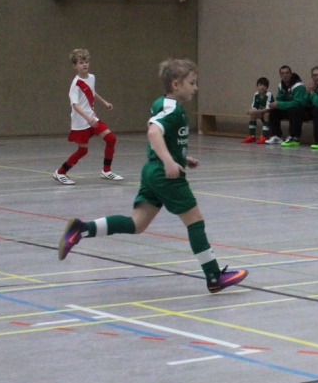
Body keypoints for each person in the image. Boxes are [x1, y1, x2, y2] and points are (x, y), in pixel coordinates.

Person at [57, 59, 249, 294]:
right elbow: (154, 132)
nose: (195, 88)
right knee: (195, 221)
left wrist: (180, 157)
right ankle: (214, 276)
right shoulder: (172, 109)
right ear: (176, 84)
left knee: (136, 224)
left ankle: (81, 229)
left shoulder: (162, 103)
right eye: (192, 83)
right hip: (164, 174)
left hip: (151, 171)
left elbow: (164, 136)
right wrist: (169, 161)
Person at [54, 48, 124, 185]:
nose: (84, 64)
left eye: (86, 62)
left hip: (92, 118)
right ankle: (60, 172)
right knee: (83, 150)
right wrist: (87, 118)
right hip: (81, 121)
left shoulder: (92, 78)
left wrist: (104, 102)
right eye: (81, 62)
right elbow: (75, 104)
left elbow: (92, 92)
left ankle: (106, 171)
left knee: (111, 139)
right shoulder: (75, 84)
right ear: (75, 66)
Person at [267, 65, 306, 146]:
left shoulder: (299, 86)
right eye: (283, 73)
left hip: (302, 111)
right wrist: (275, 104)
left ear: (291, 74)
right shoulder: (281, 85)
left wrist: (280, 104)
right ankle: (277, 136)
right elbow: (279, 99)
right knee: (274, 111)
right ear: (280, 75)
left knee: (294, 110)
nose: (285, 75)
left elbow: (297, 103)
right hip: (288, 109)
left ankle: (294, 137)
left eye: (287, 73)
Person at [243, 76, 273, 144]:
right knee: (252, 114)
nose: (262, 87)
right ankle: (252, 136)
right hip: (261, 111)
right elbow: (254, 106)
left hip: (271, 112)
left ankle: (264, 136)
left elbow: (268, 108)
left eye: (264, 85)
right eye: (260, 85)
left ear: (267, 87)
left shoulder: (269, 94)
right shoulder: (256, 94)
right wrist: (250, 111)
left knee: (266, 114)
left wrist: (257, 111)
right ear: (257, 86)